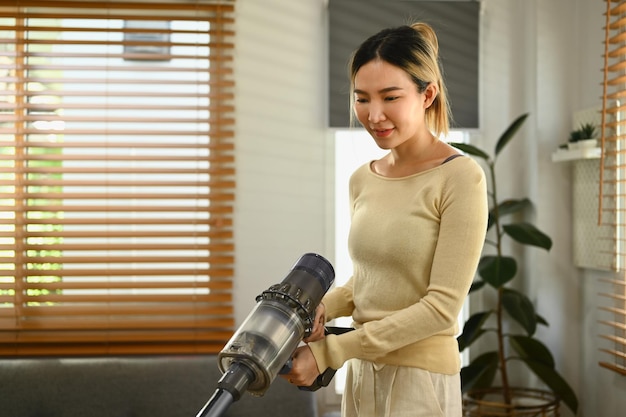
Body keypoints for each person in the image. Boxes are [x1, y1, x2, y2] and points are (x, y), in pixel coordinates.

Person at [281, 22, 488, 417]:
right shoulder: (363, 178)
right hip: (361, 372)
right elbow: (372, 280)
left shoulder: (460, 177)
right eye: (362, 98)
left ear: (427, 94)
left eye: (390, 97)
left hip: (420, 380)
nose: (374, 115)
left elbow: (441, 307)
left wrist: (331, 351)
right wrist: (323, 305)